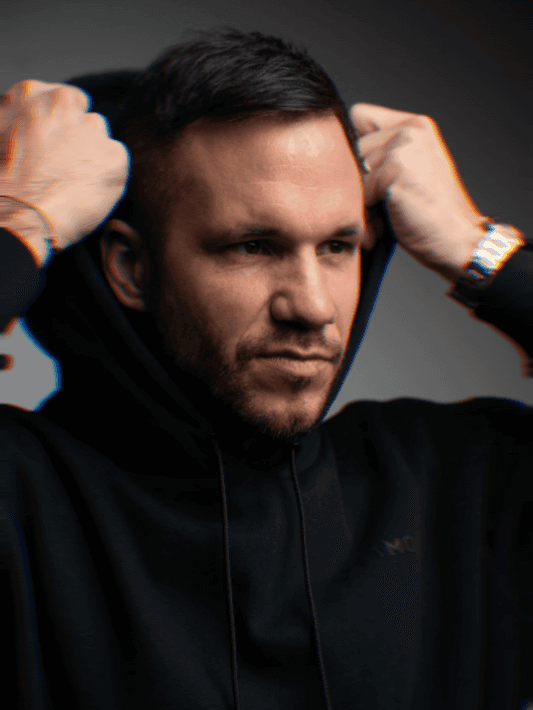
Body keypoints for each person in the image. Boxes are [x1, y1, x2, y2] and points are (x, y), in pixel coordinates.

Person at [0, 28, 531, 710]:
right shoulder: (20, 502)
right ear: (131, 268)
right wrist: (23, 222)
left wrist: (480, 250)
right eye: (252, 246)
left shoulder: (461, 488)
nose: (312, 306)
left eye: (338, 246)